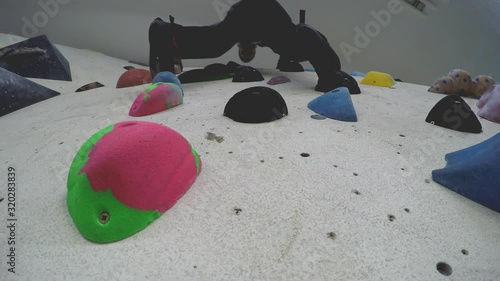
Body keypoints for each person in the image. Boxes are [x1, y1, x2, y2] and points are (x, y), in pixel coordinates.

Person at [149, 0, 360, 93]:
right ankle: (168, 34)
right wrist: (330, 72)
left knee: (215, 44)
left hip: (248, 11)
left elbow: (296, 41)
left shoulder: (255, 36)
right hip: (261, 11)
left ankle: (172, 39)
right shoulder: (277, 35)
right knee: (296, 39)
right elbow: (305, 35)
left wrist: (286, 62)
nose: (246, 54)